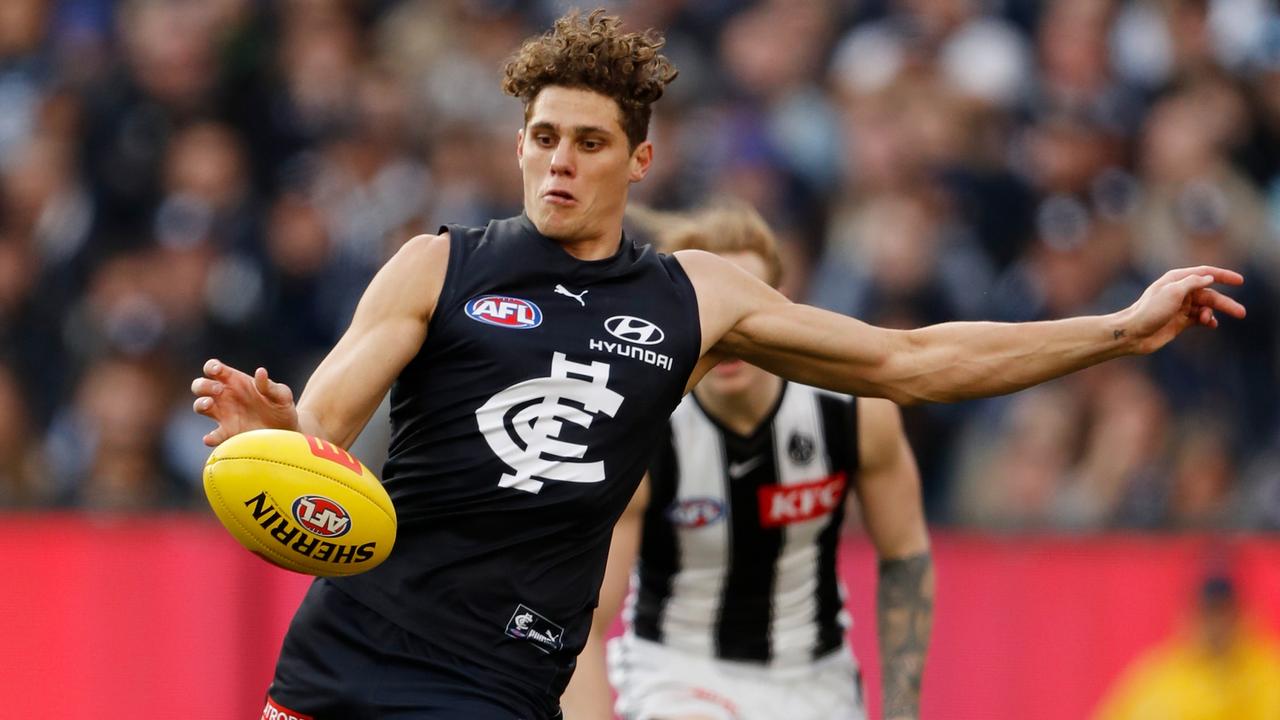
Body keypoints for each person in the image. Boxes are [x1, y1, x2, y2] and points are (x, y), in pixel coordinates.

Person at [190, 9, 1244, 720]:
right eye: (542, 136)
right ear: (517, 143)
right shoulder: (434, 266)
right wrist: (268, 435)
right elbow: (318, 436)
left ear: (638, 159)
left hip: (496, 683)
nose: (559, 159)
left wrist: (1114, 329)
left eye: (589, 142)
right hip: (345, 660)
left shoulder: (695, 297)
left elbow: (912, 359)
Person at [559, 203, 932, 720]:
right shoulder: (642, 429)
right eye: (714, 313)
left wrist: (902, 708)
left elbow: (905, 556)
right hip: (678, 673)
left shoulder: (853, 410)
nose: (730, 334)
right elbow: (587, 621)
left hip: (817, 681)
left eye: (744, 314)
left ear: (779, 314)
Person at [1093, 573, 1280, 720]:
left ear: (1240, 617)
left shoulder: (1268, 673)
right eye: (1208, 615)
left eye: (1223, 614)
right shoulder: (1160, 676)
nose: (1216, 626)